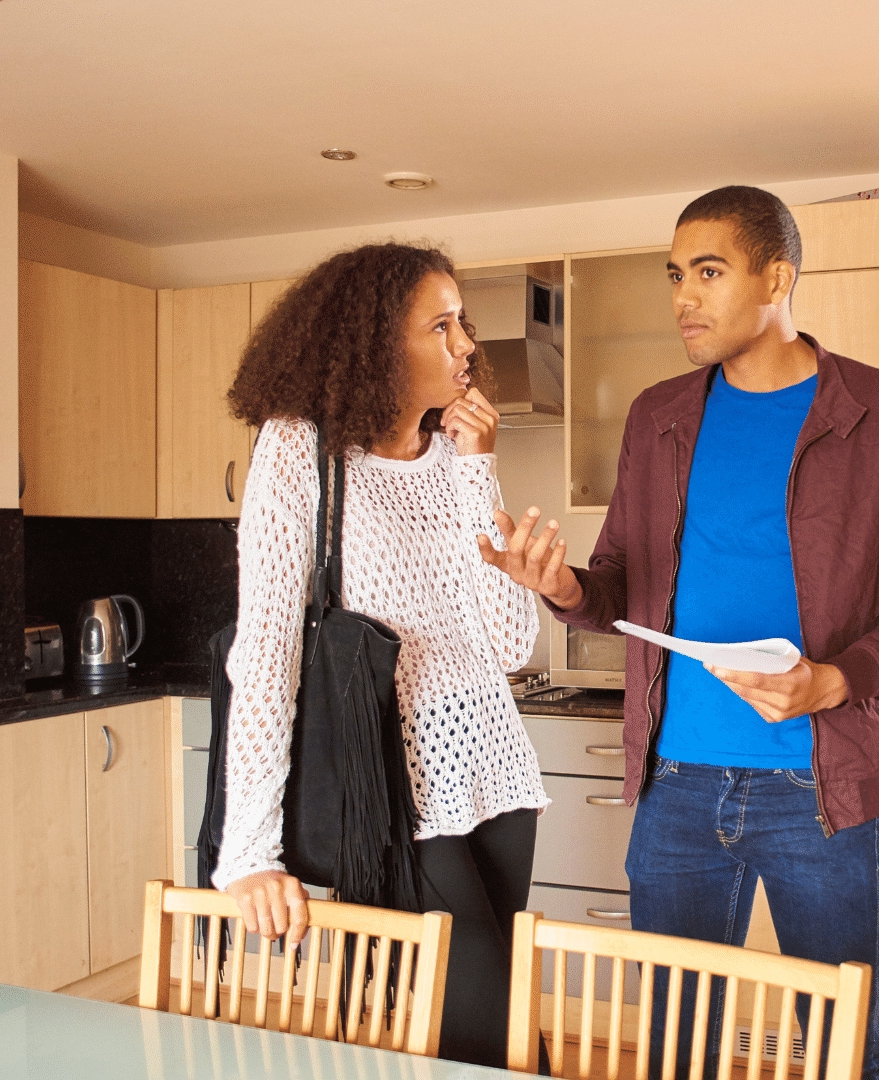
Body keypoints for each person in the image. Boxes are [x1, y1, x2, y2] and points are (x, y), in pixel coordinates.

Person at [478, 185, 879, 1080]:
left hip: (820, 791)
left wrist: (836, 680)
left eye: (709, 273)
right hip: (677, 787)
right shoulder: (658, 415)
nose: (683, 298)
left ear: (777, 277)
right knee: (677, 1047)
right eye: (676, 275)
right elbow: (620, 585)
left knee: (840, 1050)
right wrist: (563, 588)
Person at [215, 242, 550, 1069]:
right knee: (484, 1027)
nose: (466, 344)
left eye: (461, 323)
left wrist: (480, 470)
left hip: (496, 777)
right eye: (440, 326)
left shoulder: (457, 462)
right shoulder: (301, 449)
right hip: (390, 789)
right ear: (372, 346)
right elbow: (265, 651)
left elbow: (510, 644)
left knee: (479, 1032)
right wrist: (247, 853)